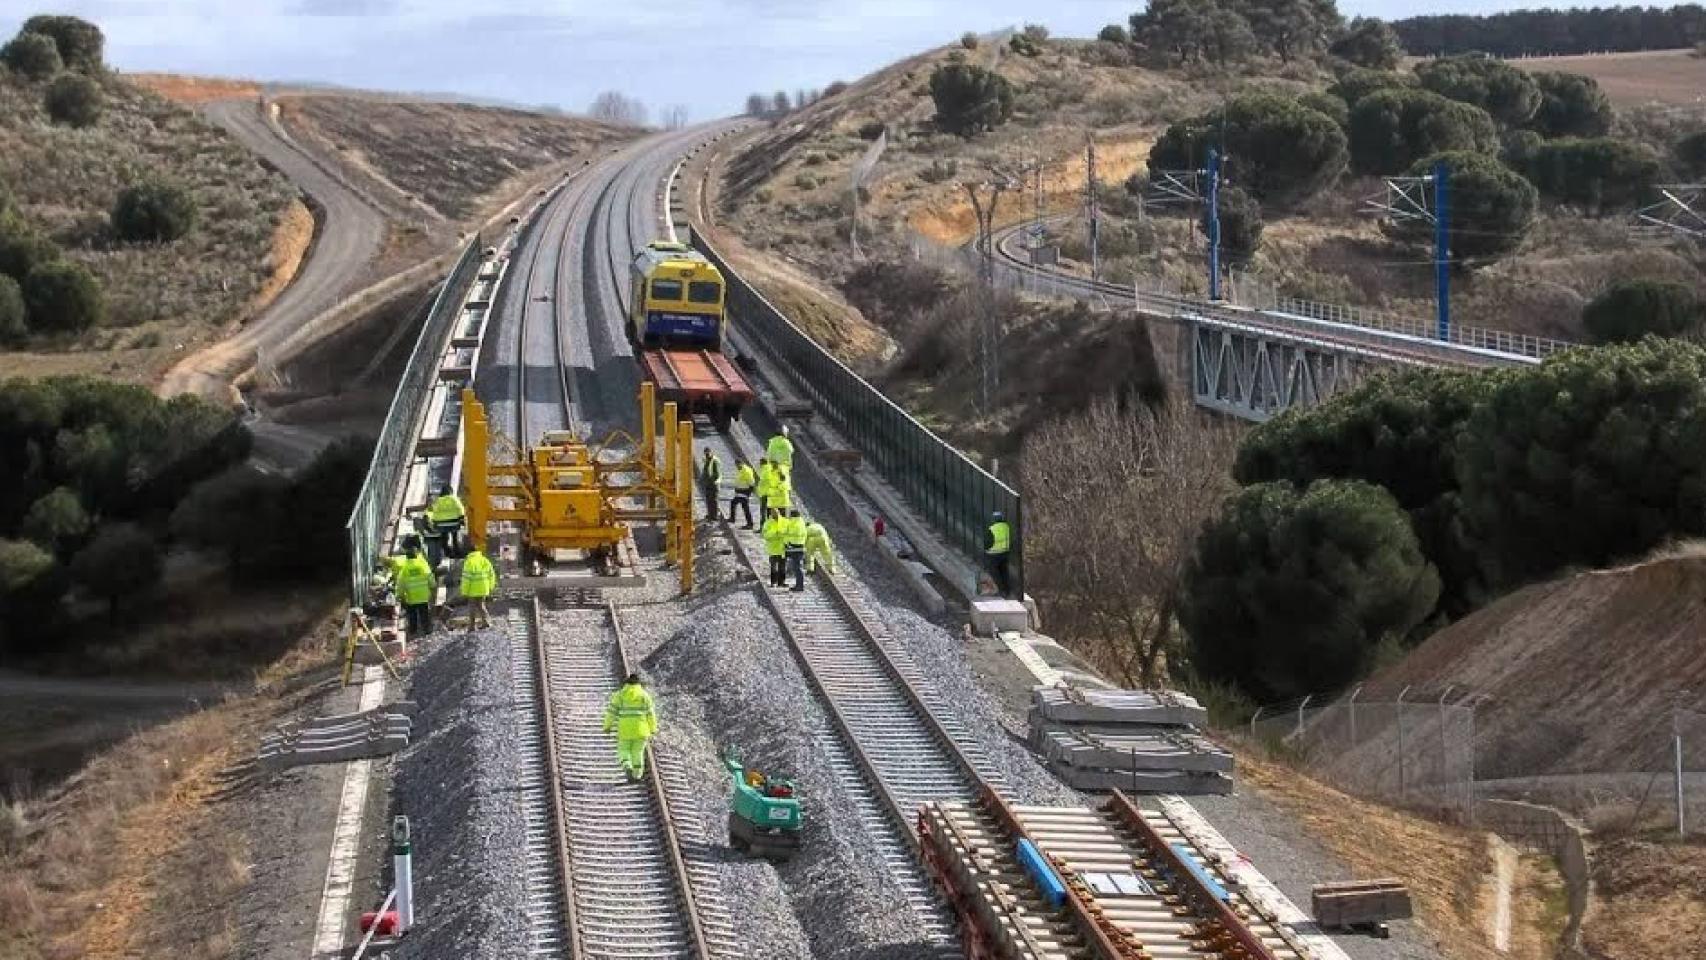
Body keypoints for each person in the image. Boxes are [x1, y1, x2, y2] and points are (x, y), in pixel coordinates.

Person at [602, 672, 658, 780]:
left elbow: (611, 712)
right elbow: (651, 714)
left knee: (623, 750)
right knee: (638, 752)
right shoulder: (644, 696)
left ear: (626, 683)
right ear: (639, 684)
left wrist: (607, 726)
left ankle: (627, 766)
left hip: (625, 730)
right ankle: (636, 776)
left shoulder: (620, 695)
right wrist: (653, 728)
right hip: (641, 731)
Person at [395, 545, 437, 639]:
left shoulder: (404, 568)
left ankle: (413, 632)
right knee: (424, 614)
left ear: (407, 557)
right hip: (423, 596)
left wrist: (399, 595)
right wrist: (433, 586)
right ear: (416, 555)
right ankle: (426, 631)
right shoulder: (423, 565)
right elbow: (430, 577)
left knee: (412, 616)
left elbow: (400, 583)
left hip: (411, 598)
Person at [458, 545, 497, 629]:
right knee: (481, 605)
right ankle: (486, 622)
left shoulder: (469, 562)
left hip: (473, 589)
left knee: (472, 607)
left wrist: (464, 591)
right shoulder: (484, 560)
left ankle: (472, 626)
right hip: (484, 589)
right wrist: (491, 586)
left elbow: (466, 579)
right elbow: (491, 574)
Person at [428, 484, 466, 558]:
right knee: (455, 538)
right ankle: (457, 552)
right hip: (454, 522)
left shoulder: (438, 500)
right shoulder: (454, 499)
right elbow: (460, 508)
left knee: (444, 539)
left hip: (441, 524)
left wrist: (433, 522)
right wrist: (462, 518)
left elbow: (433, 511)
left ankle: (447, 552)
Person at [985, 510, 1012, 597]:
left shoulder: (991, 529)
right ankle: (1007, 590)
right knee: (1004, 572)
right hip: (1005, 552)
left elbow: (988, 543)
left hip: (994, 554)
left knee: (995, 573)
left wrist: (986, 551)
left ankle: (1001, 590)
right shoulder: (1006, 526)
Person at [783, 508, 809, 592]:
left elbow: (787, 535)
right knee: (798, 567)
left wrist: (786, 543)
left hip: (792, 547)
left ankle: (782, 579)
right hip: (800, 547)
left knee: (794, 566)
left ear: (793, 516)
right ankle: (799, 586)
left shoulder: (792, 523)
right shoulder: (801, 523)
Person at [761, 509, 788, 587]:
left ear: (779, 513)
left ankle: (781, 582)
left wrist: (780, 534)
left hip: (782, 548)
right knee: (773, 567)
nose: (774, 514)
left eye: (776, 513)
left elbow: (788, 532)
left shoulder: (785, 521)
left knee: (782, 566)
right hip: (772, 549)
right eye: (773, 513)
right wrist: (775, 533)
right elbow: (765, 535)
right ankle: (773, 582)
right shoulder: (768, 523)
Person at [728, 459, 756, 529]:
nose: (736, 466)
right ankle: (732, 518)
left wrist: (748, 493)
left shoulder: (746, 470)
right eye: (736, 465)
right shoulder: (740, 469)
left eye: (737, 464)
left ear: (741, 463)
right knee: (734, 503)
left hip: (745, 491)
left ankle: (750, 524)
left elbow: (751, 482)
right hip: (739, 491)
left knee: (745, 507)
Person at [699, 447, 723, 517]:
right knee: (709, 500)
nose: (706, 454)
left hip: (714, 484)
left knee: (714, 500)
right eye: (705, 453)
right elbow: (705, 471)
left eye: (707, 453)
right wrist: (702, 479)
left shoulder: (714, 461)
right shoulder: (707, 460)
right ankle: (710, 514)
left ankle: (714, 516)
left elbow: (717, 474)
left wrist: (711, 479)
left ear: (711, 452)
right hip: (708, 484)